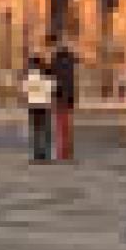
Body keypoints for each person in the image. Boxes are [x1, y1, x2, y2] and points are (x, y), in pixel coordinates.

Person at [46, 33, 77, 161]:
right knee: (66, 125)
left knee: (61, 125)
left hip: (60, 95)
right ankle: (66, 151)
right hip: (69, 95)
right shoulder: (70, 59)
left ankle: (62, 153)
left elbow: (51, 75)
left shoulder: (56, 60)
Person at [23, 52, 54, 162]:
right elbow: (51, 90)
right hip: (44, 106)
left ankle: (37, 153)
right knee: (45, 131)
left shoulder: (29, 77)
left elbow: (25, 93)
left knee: (36, 131)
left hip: (34, 106)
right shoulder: (45, 76)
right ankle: (46, 154)